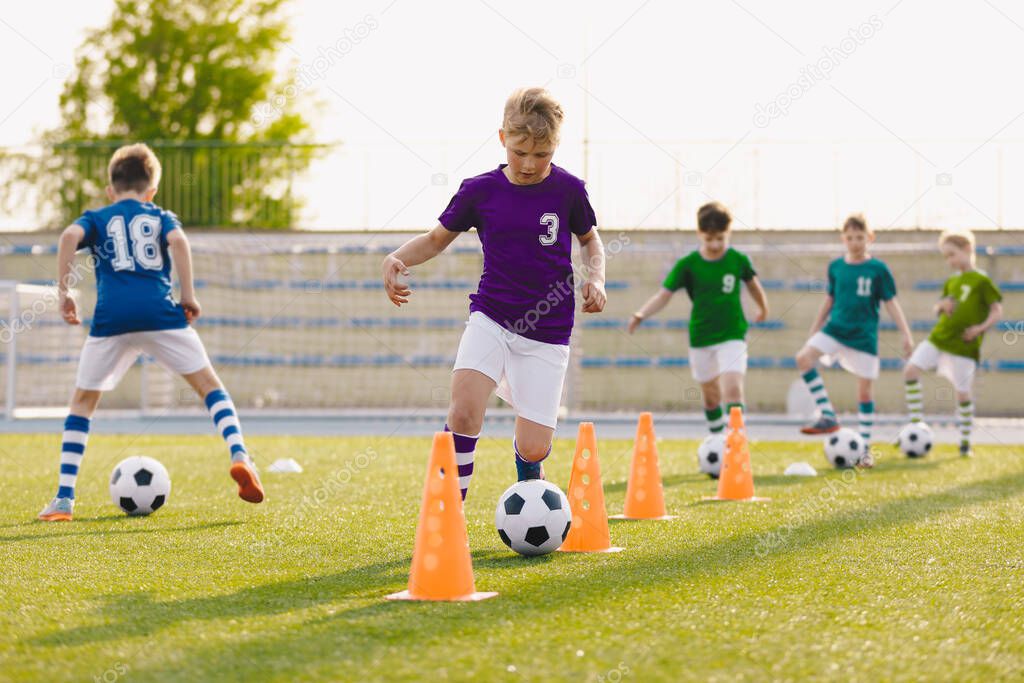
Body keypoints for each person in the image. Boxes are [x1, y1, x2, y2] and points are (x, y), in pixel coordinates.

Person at [381, 87, 606, 500]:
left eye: (542, 155)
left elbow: (591, 240)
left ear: (555, 148)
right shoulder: (479, 190)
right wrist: (397, 257)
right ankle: (448, 516)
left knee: (534, 445)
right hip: (492, 315)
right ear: (503, 138)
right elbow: (434, 240)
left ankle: (530, 478)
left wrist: (597, 277)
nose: (529, 164)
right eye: (521, 152)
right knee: (464, 409)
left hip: (549, 328)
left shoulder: (569, 190)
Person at [38, 143, 263, 522]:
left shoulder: (98, 216)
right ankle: (240, 453)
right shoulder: (161, 217)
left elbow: (66, 238)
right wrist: (188, 296)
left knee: (82, 404)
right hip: (161, 314)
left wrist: (64, 295)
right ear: (151, 190)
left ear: (111, 189)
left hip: (112, 321)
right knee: (211, 388)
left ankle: (63, 498)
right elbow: (179, 242)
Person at [628, 202, 768, 434]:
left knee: (733, 388)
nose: (715, 245)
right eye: (709, 239)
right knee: (711, 397)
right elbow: (664, 295)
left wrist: (763, 308)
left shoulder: (738, 260)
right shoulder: (688, 265)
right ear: (700, 234)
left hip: (733, 334)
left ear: (729, 233)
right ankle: (716, 441)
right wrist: (642, 313)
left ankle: (736, 445)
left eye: (721, 239)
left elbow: (754, 286)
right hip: (701, 337)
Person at [795, 213, 913, 466]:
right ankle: (828, 415)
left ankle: (865, 450)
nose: (855, 242)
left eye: (860, 237)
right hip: (835, 329)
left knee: (865, 392)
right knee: (803, 358)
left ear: (870, 238)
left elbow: (891, 302)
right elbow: (830, 299)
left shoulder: (878, 269)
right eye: (850, 237)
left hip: (863, 337)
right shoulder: (836, 267)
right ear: (843, 239)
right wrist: (816, 327)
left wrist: (906, 333)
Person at [903, 230, 1002, 457]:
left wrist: (979, 328)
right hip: (939, 337)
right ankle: (916, 427)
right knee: (910, 370)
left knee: (962, 394)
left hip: (963, 345)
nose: (950, 261)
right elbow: (940, 306)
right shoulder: (952, 281)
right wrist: (941, 306)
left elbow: (997, 311)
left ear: (967, 249)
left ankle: (965, 444)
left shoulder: (982, 281)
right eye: (946, 257)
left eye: (952, 254)